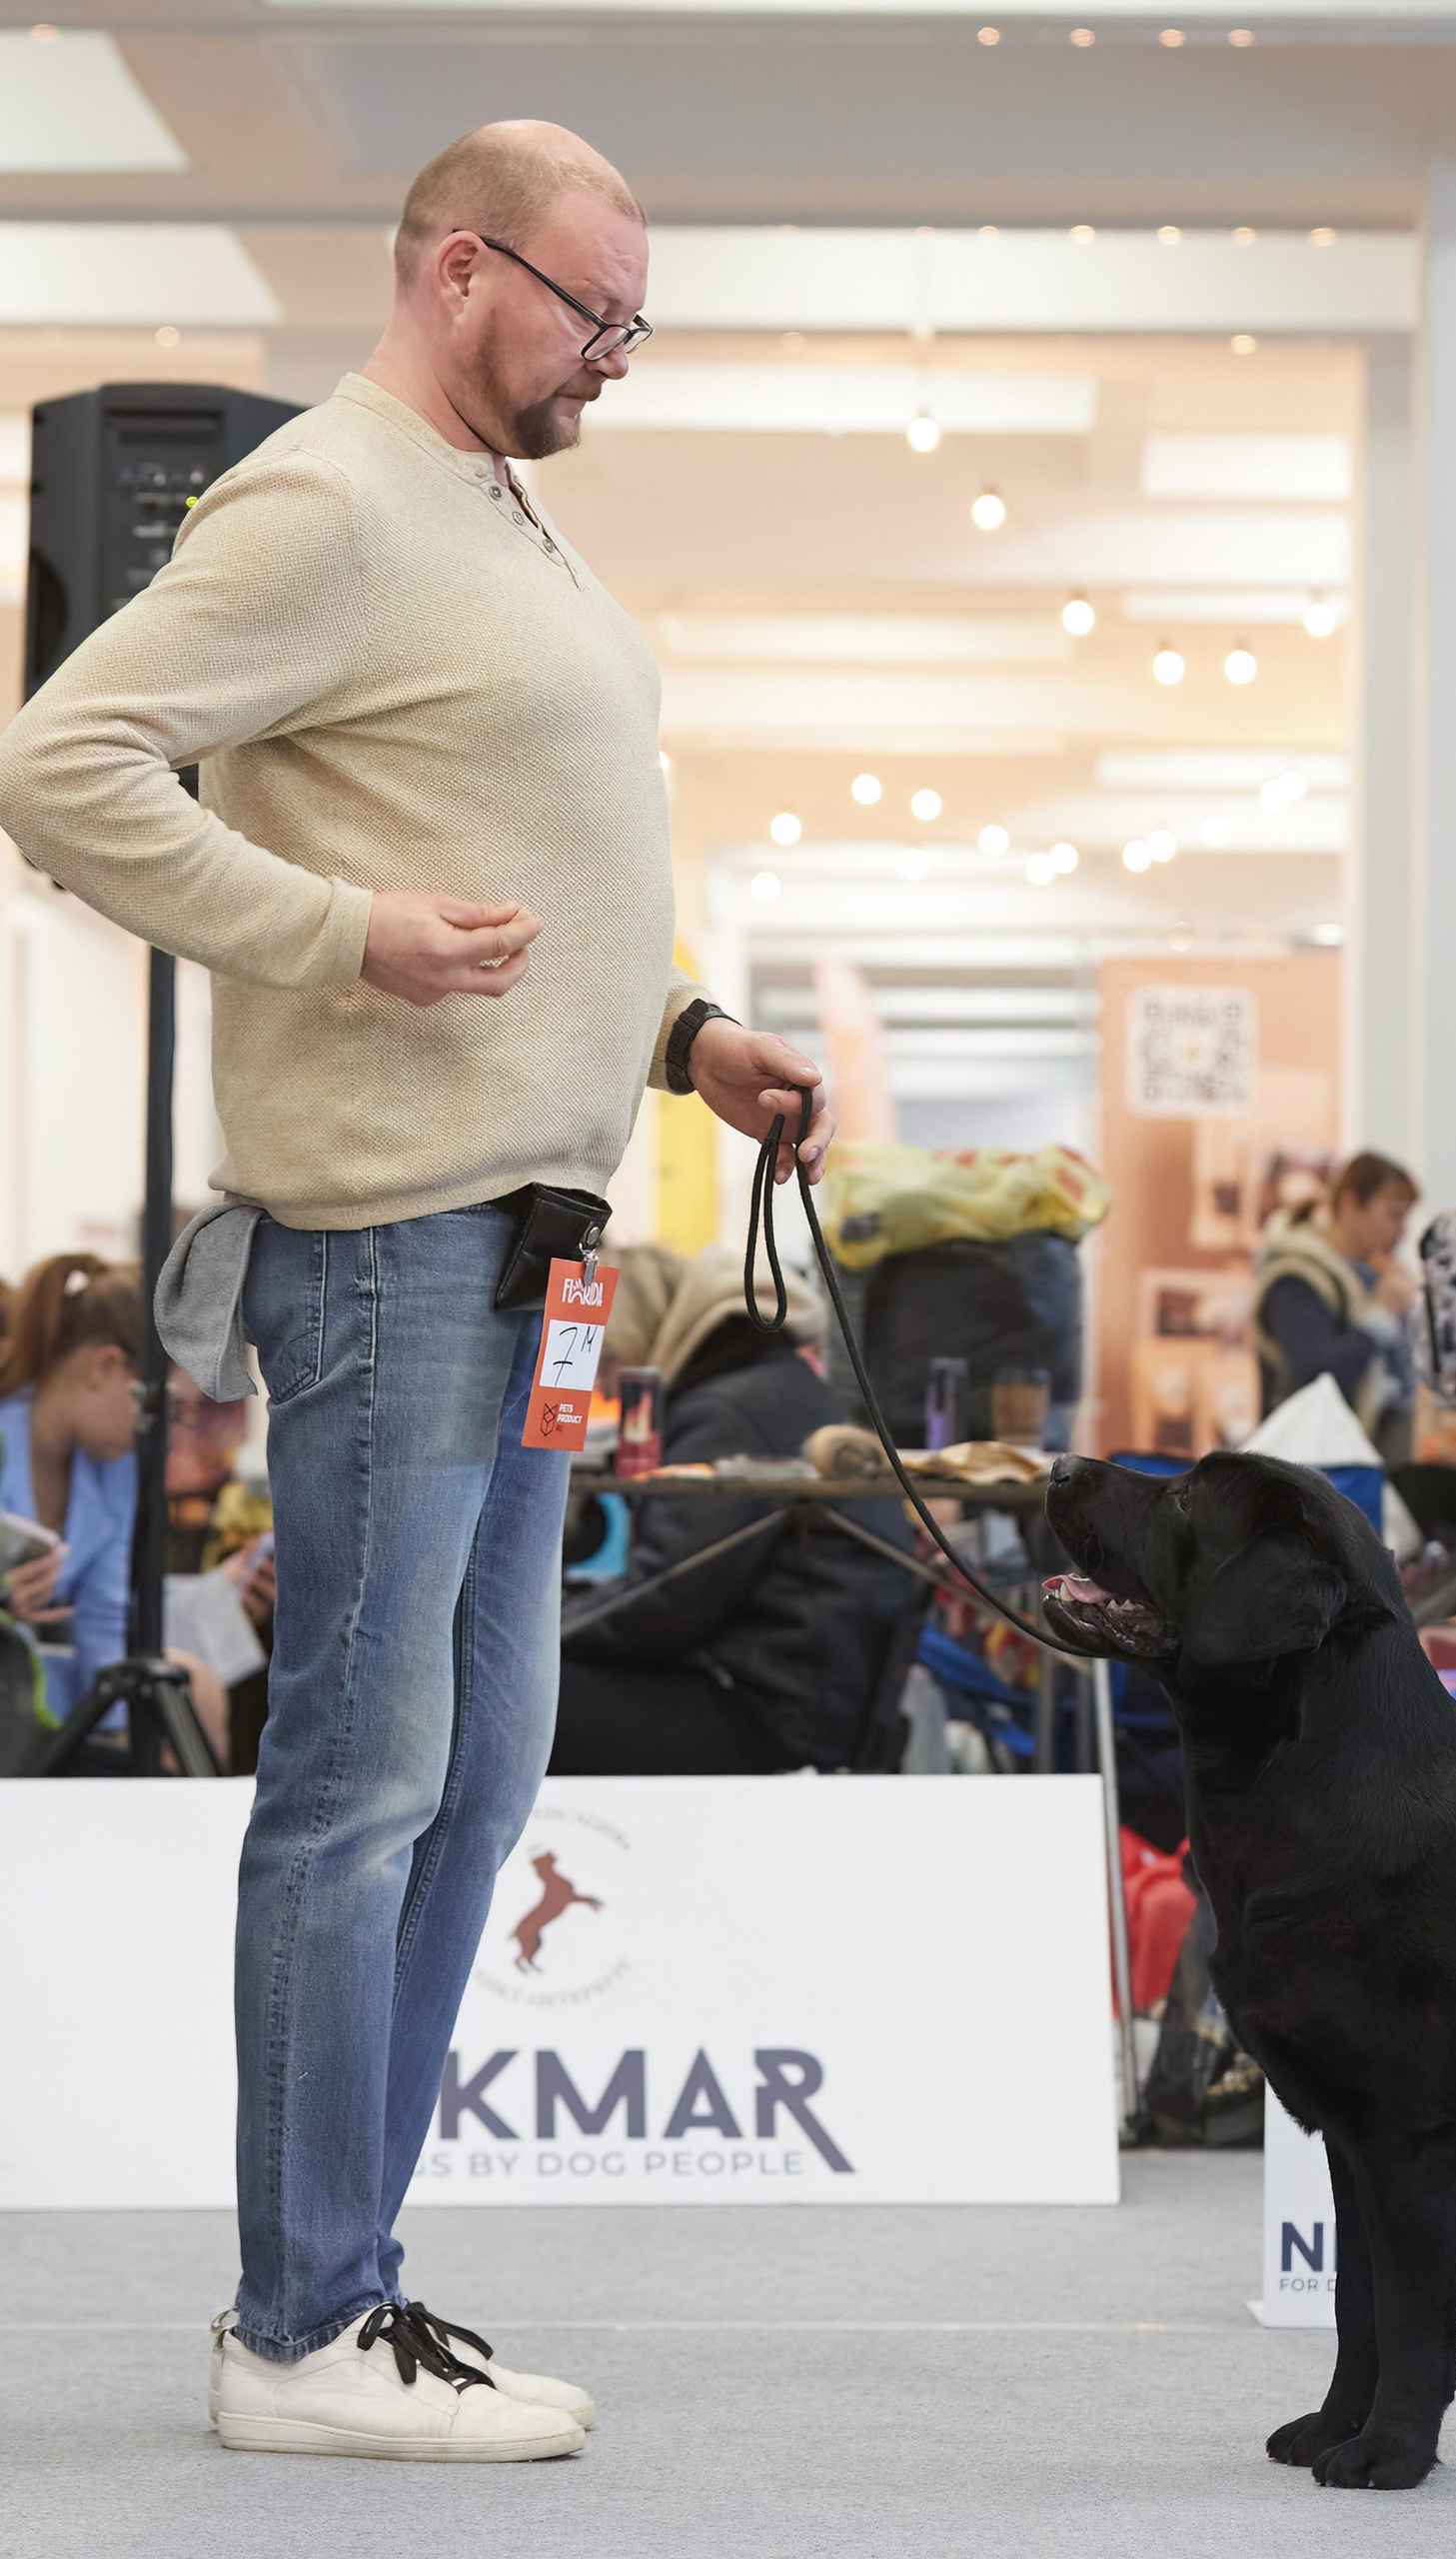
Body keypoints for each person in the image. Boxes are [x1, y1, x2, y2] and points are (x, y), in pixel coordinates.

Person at [0, 119, 832, 2460]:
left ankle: (348, 2283)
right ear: (460, 269)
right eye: (595, 312)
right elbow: (58, 763)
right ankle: (295, 2322)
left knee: (473, 1785)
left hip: (532, 1254)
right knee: (357, 1792)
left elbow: (512, 852)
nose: (615, 359)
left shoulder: (495, 510)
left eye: (631, 322)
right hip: (381, 1251)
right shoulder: (323, 499)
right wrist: (327, 931)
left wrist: (685, 1038)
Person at [551, 1245, 925, 1774]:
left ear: (642, 1335)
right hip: (806, 1697)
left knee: (508, 1703)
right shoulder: (763, 1386)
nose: (601, 1385)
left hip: (768, 1716)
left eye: (606, 1361)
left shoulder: (725, 1410)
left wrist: (543, 1631)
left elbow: (668, 1599)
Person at [0, 1253, 232, 1759]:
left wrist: (120, 1740)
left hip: (51, 1700)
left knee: (199, 1690)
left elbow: (102, 1618)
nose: (170, 1436)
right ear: (105, 1367)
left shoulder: (118, 1469)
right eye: (166, 1409)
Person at [1249, 1151, 1421, 1449]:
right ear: (1350, 1202)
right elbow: (1317, 1379)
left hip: (1370, 1456)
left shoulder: (1376, 1278)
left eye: (1405, 1217)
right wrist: (1381, 1315)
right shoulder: (1297, 1278)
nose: (1401, 1230)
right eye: (1393, 1215)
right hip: (1312, 1466)